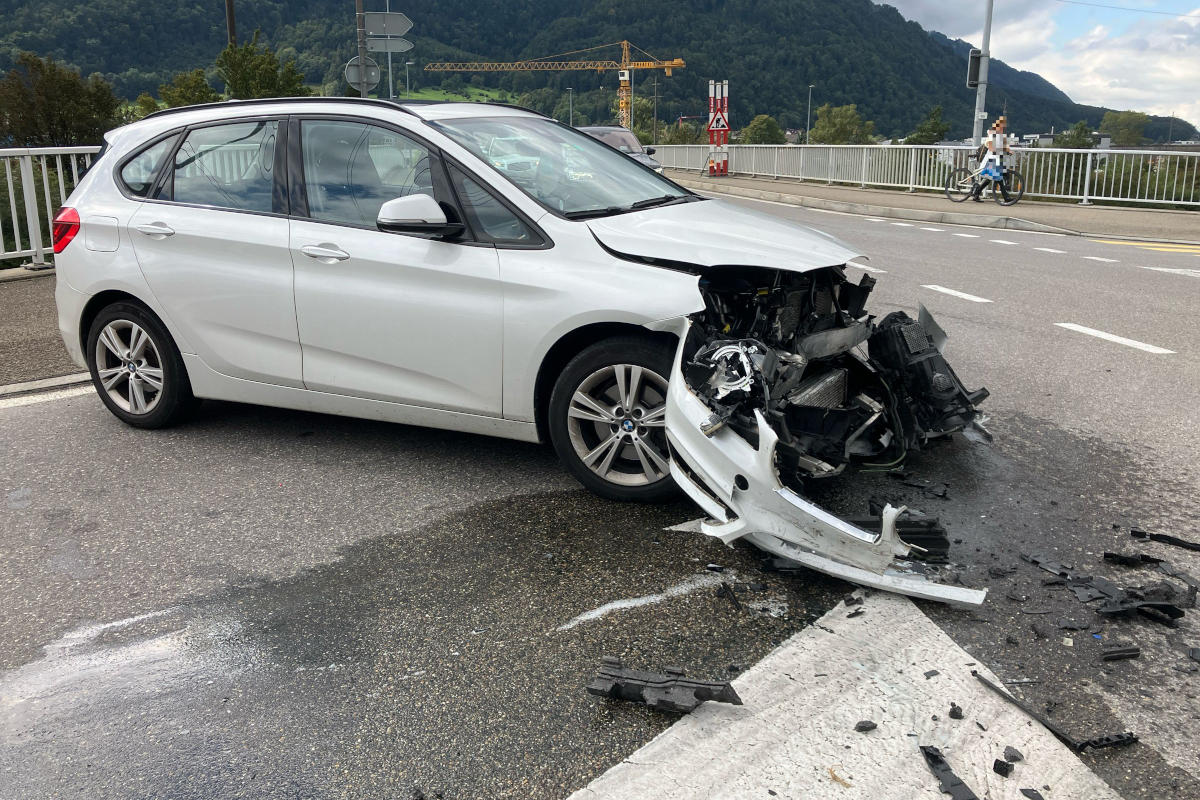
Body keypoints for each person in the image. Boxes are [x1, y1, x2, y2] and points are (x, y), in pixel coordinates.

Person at [971, 116, 1013, 202]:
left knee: (989, 179)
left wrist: (1009, 151)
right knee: (999, 178)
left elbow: (1005, 146)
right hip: (991, 160)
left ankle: (976, 194)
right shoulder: (991, 134)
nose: (1002, 128)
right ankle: (1006, 197)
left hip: (996, 160)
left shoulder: (1001, 136)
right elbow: (990, 147)